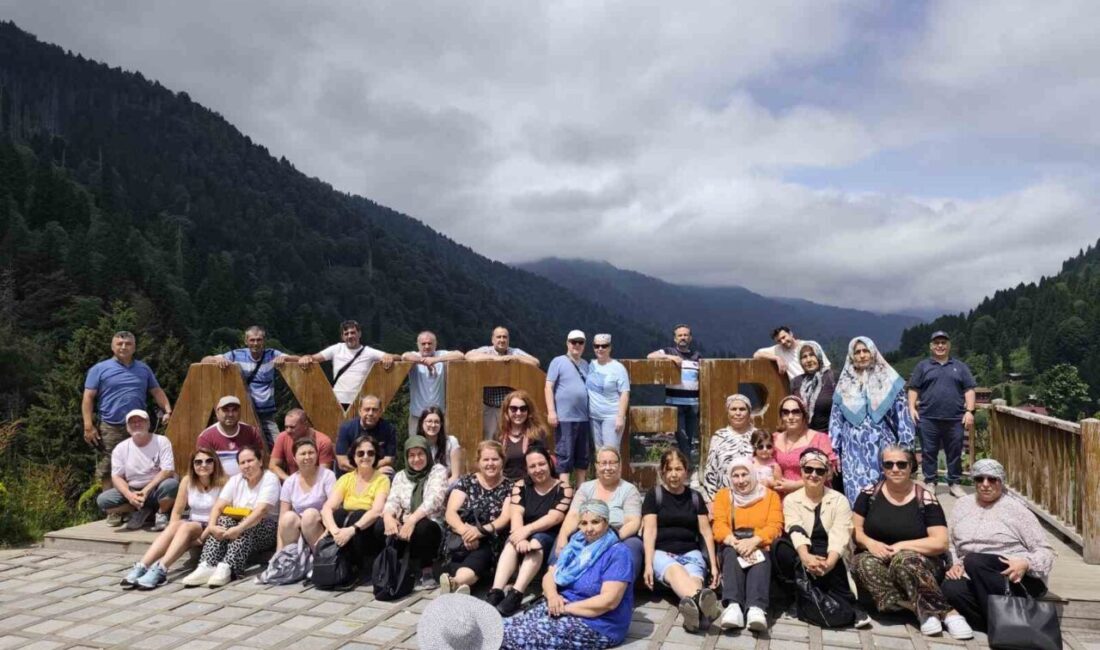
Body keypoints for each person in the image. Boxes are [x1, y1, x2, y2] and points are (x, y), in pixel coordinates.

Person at [851, 445, 972, 639]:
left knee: (904, 559)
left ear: (911, 467)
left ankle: (949, 613)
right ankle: (923, 608)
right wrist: (869, 543)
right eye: (888, 464)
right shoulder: (869, 494)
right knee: (862, 563)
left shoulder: (925, 498)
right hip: (878, 555)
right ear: (882, 467)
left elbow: (940, 542)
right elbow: (855, 529)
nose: (895, 469)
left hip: (919, 562)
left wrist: (902, 546)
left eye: (901, 464)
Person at [501, 500, 635, 650]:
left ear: (606, 522)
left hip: (598, 623)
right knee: (501, 627)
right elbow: (549, 576)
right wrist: (552, 596)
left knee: (510, 638)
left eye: (595, 522)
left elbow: (609, 601)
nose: (589, 529)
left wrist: (566, 609)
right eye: (583, 523)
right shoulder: (577, 545)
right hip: (560, 606)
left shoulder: (618, 553)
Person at [941, 458, 1055, 632]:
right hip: (972, 573)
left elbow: (1045, 551)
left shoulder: (1016, 509)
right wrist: (955, 564)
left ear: (1001, 481)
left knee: (974, 560)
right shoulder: (962, 505)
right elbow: (950, 543)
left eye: (992, 479)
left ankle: (1006, 628)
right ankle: (1002, 628)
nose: (985, 484)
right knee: (951, 588)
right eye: (980, 479)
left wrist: (1025, 563)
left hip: (1012, 576)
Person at [773, 449, 870, 628]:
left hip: (831, 551)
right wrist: (805, 557)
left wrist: (831, 562)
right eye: (808, 469)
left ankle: (849, 604)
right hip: (803, 550)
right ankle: (797, 596)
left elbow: (840, 534)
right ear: (801, 472)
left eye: (820, 471)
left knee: (828, 555)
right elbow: (795, 529)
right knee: (780, 548)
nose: (813, 475)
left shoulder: (839, 500)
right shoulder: (791, 500)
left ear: (827, 474)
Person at [123, 447, 227, 590]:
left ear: (215, 463)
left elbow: (224, 515)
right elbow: (177, 512)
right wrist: (173, 531)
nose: (203, 465)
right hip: (192, 524)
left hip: (212, 526)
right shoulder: (187, 481)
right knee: (177, 525)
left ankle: (161, 569)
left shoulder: (225, 482)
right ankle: (142, 565)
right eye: (198, 462)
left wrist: (202, 537)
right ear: (193, 465)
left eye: (209, 461)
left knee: (186, 526)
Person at [829, 337, 916, 505]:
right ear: (851, 356)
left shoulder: (889, 381)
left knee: (886, 490)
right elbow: (835, 420)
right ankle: (859, 528)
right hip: (852, 452)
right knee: (856, 493)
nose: (862, 355)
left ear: (873, 352)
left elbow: (903, 416)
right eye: (857, 352)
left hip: (884, 448)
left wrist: (906, 449)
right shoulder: (844, 384)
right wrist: (834, 451)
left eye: (865, 350)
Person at [642, 449, 720, 633]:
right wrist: (647, 564)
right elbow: (650, 531)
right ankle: (704, 607)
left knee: (694, 577)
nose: (674, 474)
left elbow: (706, 532)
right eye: (669, 470)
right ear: (662, 472)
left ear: (686, 471)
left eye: (678, 469)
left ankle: (694, 614)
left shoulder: (694, 497)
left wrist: (714, 566)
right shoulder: (655, 495)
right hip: (662, 551)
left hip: (690, 551)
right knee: (677, 571)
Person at [490, 446, 574, 616]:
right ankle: (496, 591)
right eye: (532, 466)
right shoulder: (520, 485)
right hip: (523, 536)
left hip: (549, 538)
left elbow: (554, 518)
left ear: (550, 464)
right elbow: (516, 513)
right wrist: (519, 537)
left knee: (536, 541)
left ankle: (516, 593)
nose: (537, 469)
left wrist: (526, 531)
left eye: (541, 464)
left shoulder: (564, 488)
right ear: (527, 469)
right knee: (511, 544)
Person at [83, 331, 172, 488]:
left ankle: (139, 503)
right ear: (112, 347)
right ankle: (112, 508)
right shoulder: (99, 369)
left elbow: (157, 391)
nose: (124, 347)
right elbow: (88, 398)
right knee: (109, 466)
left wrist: (168, 411)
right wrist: (88, 426)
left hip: (139, 424)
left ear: (134, 347)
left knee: (142, 462)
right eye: (119, 343)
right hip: (111, 425)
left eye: (128, 344)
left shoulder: (144, 369)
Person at [182, 446, 280, 588]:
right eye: (242, 463)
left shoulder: (269, 478)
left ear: (260, 461)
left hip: (266, 529)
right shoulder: (236, 480)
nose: (246, 465)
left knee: (247, 524)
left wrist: (239, 528)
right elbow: (218, 506)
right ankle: (207, 565)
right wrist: (212, 527)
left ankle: (228, 567)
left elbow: (262, 510)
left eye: (250, 461)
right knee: (223, 520)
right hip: (239, 525)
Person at [712, 456, 783, 632]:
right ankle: (733, 606)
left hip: (759, 542)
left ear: (752, 474)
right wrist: (733, 541)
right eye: (736, 476)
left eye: (745, 474)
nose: (741, 480)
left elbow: (775, 525)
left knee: (761, 555)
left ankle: (756, 609)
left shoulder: (770, 496)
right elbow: (719, 524)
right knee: (729, 553)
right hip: (733, 542)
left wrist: (754, 540)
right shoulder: (723, 496)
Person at [373, 435, 450, 591]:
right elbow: (393, 500)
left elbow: (434, 500)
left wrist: (412, 520)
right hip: (405, 524)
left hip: (430, 525)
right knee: (380, 526)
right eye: (411, 455)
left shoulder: (438, 471)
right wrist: (388, 516)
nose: (416, 459)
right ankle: (395, 567)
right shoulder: (401, 476)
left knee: (424, 527)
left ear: (428, 454)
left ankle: (426, 571)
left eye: (420, 454)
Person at [200, 325, 297, 448]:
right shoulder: (236, 354)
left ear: (264, 341)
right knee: (244, 447)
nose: (255, 343)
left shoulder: (272, 354)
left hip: (266, 414)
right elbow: (204, 360)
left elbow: (297, 360)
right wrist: (216, 360)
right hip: (244, 412)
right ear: (246, 341)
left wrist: (287, 358)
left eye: (259, 340)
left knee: (280, 446)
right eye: (252, 340)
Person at [555, 446, 644, 578]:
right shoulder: (585, 488)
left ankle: (619, 590)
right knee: (562, 543)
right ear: (596, 466)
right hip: (587, 532)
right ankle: (555, 584)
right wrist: (563, 536)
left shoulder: (629, 490)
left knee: (634, 546)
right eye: (603, 463)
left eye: (612, 463)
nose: (607, 467)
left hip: (618, 535)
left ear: (619, 466)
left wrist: (610, 539)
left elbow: (633, 521)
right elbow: (573, 515)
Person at [907, 331, 977, 498]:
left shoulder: (960, 366)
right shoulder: (923, 366)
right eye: (936, 342)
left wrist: (970, 411)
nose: (940, 345)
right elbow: (913, 388)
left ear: (948, 345)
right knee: (928, 451)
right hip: (927, 418)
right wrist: (911, 408)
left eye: (943, 342)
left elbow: (969, 389)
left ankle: (954, 483)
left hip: (955, 418)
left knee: (955, 452)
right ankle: (930, 482)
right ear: (931, 346)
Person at [440, 441, 514, 595]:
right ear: (478, 462)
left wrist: (479, 532)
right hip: (460, 537)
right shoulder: (467, 482)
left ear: (502, 461)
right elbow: (450, 512)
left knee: (482, 553)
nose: (490, 464)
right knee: (460, 557)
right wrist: (466, 532)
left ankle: (455, 582)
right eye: (486, 460)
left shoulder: (510, 487)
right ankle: (460, 585)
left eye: (495, 459)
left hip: (489, 538)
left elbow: (504, 518)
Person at [96, 409, 178, 531]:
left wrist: (146, 490)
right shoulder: (120, 448)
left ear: (148, 424)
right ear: (128, 428)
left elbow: (168, 470)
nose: (137, 424)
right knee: (103, 500)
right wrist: (129, 495)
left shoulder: (161, 441)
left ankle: (162, 512)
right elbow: (116, 477)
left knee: (171, 485)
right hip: (133, 489)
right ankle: (140, 509)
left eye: (141, 421)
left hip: (156, 488)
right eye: (132, 422)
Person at [320, 435, 390, 576]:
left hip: (366, 529)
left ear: (376, 456)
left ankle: (361, 565)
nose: (365, 457)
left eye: (370, 453)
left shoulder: (382, 479)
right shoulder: (345, 479)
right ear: (353, 456)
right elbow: (327, 508)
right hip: (344, 531)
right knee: (338, 514)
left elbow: (376, 510)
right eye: (360, 453)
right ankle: (344, 565)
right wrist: (335, 531)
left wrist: (352, 530)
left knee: (358, 514)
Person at [297, 319, 398, 411]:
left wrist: (389, 357)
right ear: (342, 337)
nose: (350, 336)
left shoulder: (369, 352)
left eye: (353, 332)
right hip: (337, 400)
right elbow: (314, 358)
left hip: (360, 400)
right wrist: (306, 357)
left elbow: (396, 357)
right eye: (346, 333)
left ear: (359, 334)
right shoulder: (336, 349)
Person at [466, 326, 541, 440]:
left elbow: (535, 362)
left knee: (508, 437)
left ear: (508, 339)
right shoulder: (486, 350)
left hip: (509, 409)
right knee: (489, 437)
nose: (502, 340)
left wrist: (515, 358)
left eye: (504, 337)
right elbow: (468, 356)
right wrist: (494, 359)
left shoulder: (515, 352)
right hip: (490, 407)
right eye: (499, 337)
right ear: (493, 339)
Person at [647, 324, 701, 462]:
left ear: (690, 338)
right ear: (675, 339)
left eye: (686, 335)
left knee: (689, 437)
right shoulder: (669, 351)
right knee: (682, 437)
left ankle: (685, 466)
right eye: (680, 335)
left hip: (693, 404)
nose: (683, 338)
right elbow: (650, 356)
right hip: (675, 404)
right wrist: (670, 358)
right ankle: (687, 467)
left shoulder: (697, 356)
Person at [545, 329, 591, 487]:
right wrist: (551, 411)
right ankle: (564, 491)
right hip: (565, 417)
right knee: (564, 454)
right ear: (567, 343)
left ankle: (581, 490)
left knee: (582, 456)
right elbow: (548, 387)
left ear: (584, 345)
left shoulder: (586, 364)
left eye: (580, 342)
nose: (577, 345)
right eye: (573, 342)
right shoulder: (557, 361)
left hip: (584, 418)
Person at [276, 438, 336, 550]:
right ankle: (290, 559)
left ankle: (319, 558)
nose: (307, 457)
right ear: (294, 458)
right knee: (287, 518)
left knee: (309, 515)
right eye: (303, 454)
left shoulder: (327, 476)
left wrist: (330, 530)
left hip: (323, 527)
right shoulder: (289, 482)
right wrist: (278, 552)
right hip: (298, 531)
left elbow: (334, 508)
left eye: (311, 453)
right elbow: (281, 521)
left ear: (317, 455)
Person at [772, 395, 837, 497]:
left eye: (795, 412)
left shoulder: (819, 439)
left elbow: (828, 474)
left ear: (804, 415)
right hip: (782, 496)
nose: (790, 417)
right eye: (785, 412)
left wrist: (796, 485)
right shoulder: (773, 439)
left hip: (812, 496)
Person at [402, 330, 464, 435]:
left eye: (430, 343)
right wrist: (424, 361)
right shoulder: (414, 356)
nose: (426, 346)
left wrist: (435, 360)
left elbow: (460, 355)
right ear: (418, 345)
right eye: (423, 344)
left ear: (435, 344)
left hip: (438, 416)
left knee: (440, 447)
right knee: (416, 447)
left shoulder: (441, 355)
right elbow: (404, 356)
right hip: (417, 415)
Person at [700, 394, 758, 503]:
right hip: (725, 499)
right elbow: (710, 470)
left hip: (754, 498)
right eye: (733, 409)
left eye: (742, 409)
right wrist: (710, 501)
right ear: (728, 412)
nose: (738, 413)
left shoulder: (758, 435)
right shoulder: (719, 436)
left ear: (749, 412)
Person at [196, 395, 266, 476]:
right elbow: (203, 470)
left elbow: (261, 460)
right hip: (218, 483)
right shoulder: (205, 437)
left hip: (248, 480)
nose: (230, 414)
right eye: (225, 410)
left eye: (234, 410)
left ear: (239, 412)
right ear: (217, 412)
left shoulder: (251, 432)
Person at [586, 334, 630, 451]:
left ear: (610, 348)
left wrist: (620, 417)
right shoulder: (590, 365)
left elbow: (624, 393)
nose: (600, 349)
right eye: (597, 346)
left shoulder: (618, 368)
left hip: (611, 416)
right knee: (599, 453)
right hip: (594, 417)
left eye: (604, 346)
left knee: (611, 452)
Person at [335, 395, 397, 477]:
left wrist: (371, 472)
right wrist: (368, 471)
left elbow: (389, 459)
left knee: (389, 473)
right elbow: (342, 463)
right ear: (360, 411)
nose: (370, 413)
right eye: (367, 409)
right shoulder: (346, 429)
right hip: (350, 474)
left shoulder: (389, 429)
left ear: (380, 412)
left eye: (374, 410)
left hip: (378, 474)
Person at [497, 390, 550, 481]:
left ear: (529, 412)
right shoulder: (499, 435)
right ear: (506, 411)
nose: (518, 413)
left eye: (523, 409)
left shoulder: (537, 434)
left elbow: (544, 464)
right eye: (514, 409)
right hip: (505, 484)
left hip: (530, 483)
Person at [269, 409, 335, 480]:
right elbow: (273, 466)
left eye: (292, 427)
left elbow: (323, 475)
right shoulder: (283, 437)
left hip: (316, 484)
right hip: (291, 481)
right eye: (286, 427)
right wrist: (290, 481)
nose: (288, 431)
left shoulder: (323, 442)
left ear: (305, 425)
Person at [753, 326, 831, 380]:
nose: (783, 342)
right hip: (798, 389)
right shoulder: (778, 350)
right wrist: (777, 358)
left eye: (784, 337)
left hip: (818, 383)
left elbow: (826, 367)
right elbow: (757, 354)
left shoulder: (810, 345)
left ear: (790, 333)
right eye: (779, 341)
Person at [790, 341, 837, 433]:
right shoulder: (796, 382)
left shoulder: (833, 377)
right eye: (804, 357)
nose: (808, 360)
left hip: (829, 437)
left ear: (818, 356)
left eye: (812, 355)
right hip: (804, 436)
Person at [418, 406, 463, 484]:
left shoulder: (451, 442)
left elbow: (455, 476)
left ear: (441, 424)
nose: (433, 425)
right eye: (429, 421)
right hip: (425, 486)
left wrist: (440, 489)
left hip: (448, 484)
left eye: (436, 422)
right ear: (422, 423)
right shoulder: (417, 444)